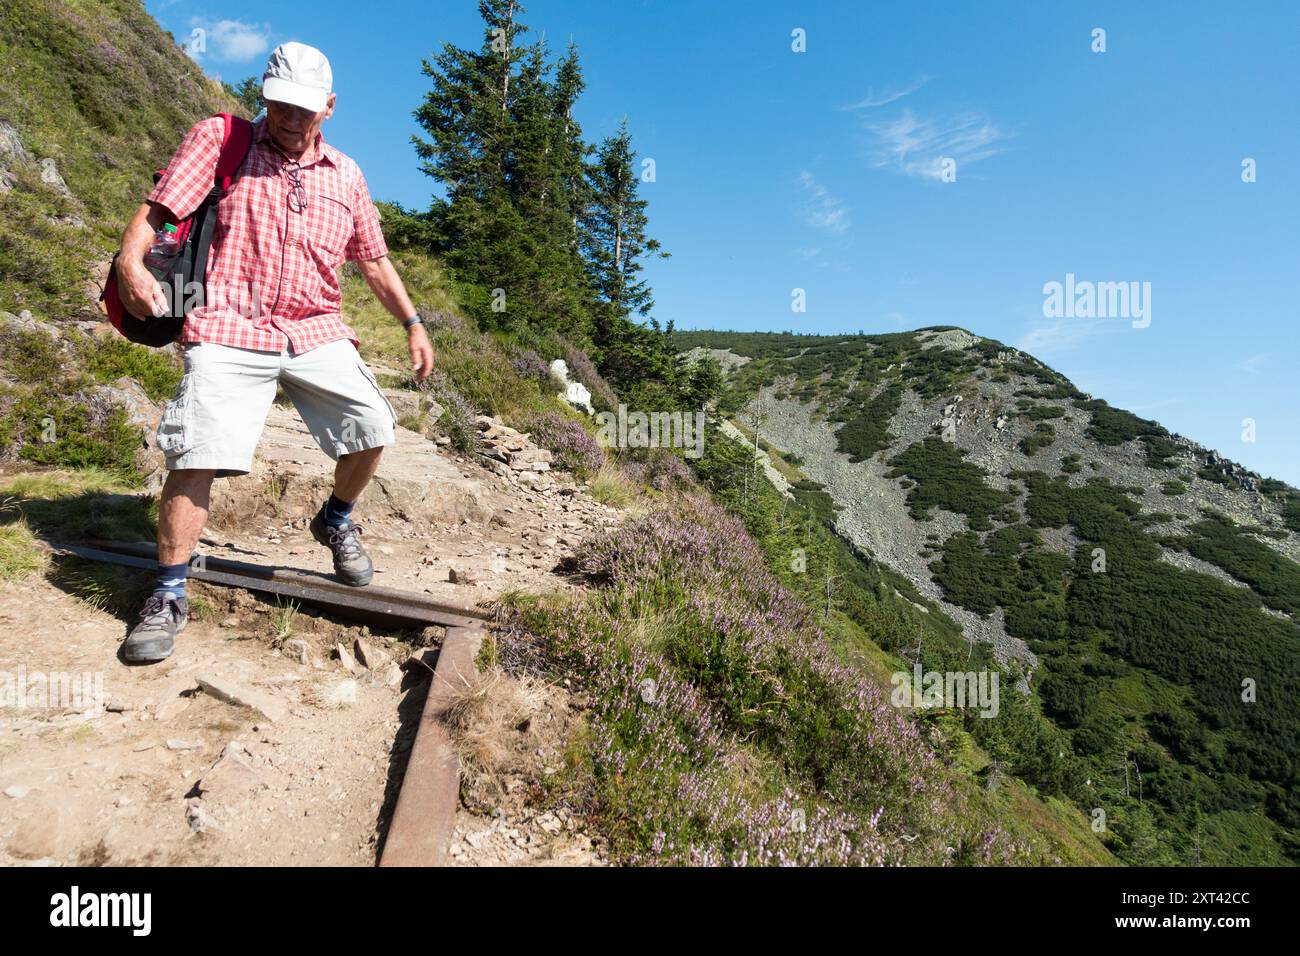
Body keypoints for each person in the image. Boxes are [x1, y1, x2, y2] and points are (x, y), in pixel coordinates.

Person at [113, 41, 433, 663]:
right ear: (265, 96)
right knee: (199, 449)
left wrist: (414, 323)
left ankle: (336, 518)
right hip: (230, 323)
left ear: (330, 108)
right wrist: (129, 260)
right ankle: (168, 591)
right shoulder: (220, 139)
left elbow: (374, 260)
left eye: (305, 109)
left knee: (373, 429)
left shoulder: (347, 175)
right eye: (280, 104)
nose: (290, 117)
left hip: (316, 329)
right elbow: (157, 211)